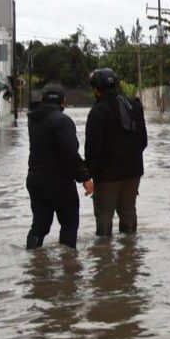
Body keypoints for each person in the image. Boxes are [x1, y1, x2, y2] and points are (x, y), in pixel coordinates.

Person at [26, 84, 93, 249]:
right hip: (59, 182)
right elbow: (70, 154)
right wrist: (84, 177)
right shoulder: (63, 121)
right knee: (69, 225)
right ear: (63, 102)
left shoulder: (33, 119)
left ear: (42, 99)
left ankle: (33, 262)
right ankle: (69, 265)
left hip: (35, 180)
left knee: (39, 225)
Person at [85, 68, 148, 237]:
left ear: (97, 90)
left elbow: (92, 149)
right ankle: (129, 255)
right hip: (133, 172)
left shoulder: (97, 112)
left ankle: (104, 257)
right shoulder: (134, 106)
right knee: (128, 212)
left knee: (104, 216)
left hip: (107, 177)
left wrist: (88, 175)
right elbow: (143, 141)